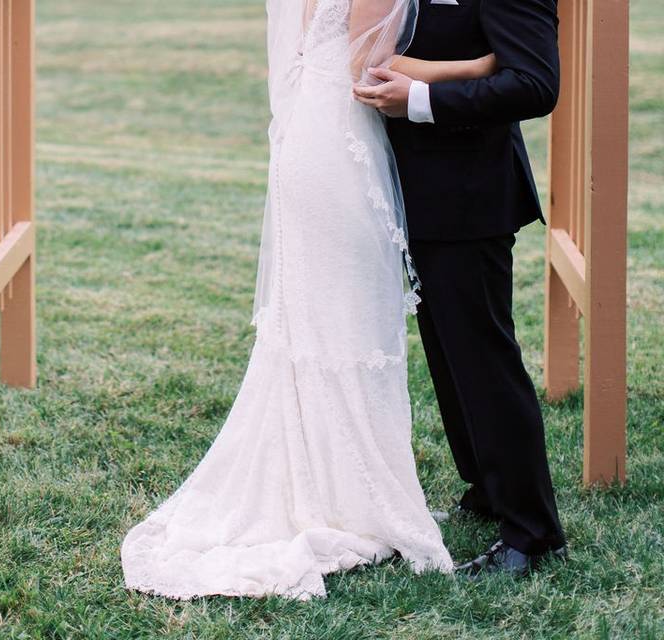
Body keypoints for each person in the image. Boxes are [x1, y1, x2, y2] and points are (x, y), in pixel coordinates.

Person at [120, 0, 500, 600]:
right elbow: (367, 71)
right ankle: (348, 495)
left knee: (325, 322)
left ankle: (335, 483)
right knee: (347, 323)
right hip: (338, 147)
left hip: (316, 137)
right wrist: (476, 67)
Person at [353, 0, 567, 576]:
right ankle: (487, 488)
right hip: (411, 194)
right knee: (449, 358)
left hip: (469, 195)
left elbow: (534, 83)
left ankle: (533, 532)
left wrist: (420, 99)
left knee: (483, 361)